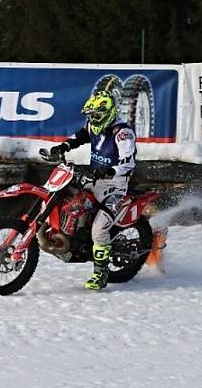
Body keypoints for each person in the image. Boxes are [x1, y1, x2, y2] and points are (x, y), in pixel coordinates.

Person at [47, 88, 137, 290]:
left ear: (108, 113)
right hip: (93, 179)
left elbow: (128, 163)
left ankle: (101, 273)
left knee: (98, 229)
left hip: (115, 186)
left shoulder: (123, 133)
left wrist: (107, 171)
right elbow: (79, 136)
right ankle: (72, 239)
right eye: (91, 115)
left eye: (96, 115)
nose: (93, 119)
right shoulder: (92, 126)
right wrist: (63, 147)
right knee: (68, 197)